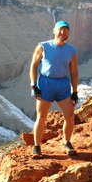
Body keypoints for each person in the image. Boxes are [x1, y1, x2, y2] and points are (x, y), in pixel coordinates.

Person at [29, 20, 79, 158]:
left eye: (66, 30)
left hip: (63, 85)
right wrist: (33, 85)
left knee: (70, 116)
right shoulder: (43, 46)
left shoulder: (71, 51)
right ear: (54, 31)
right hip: (46, 84)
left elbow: (74, 72)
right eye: (61, 30)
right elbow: (34, 66)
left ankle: (67, 142)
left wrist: (75, 92)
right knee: (41, 116)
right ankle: (37, 146)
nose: (63, 33)